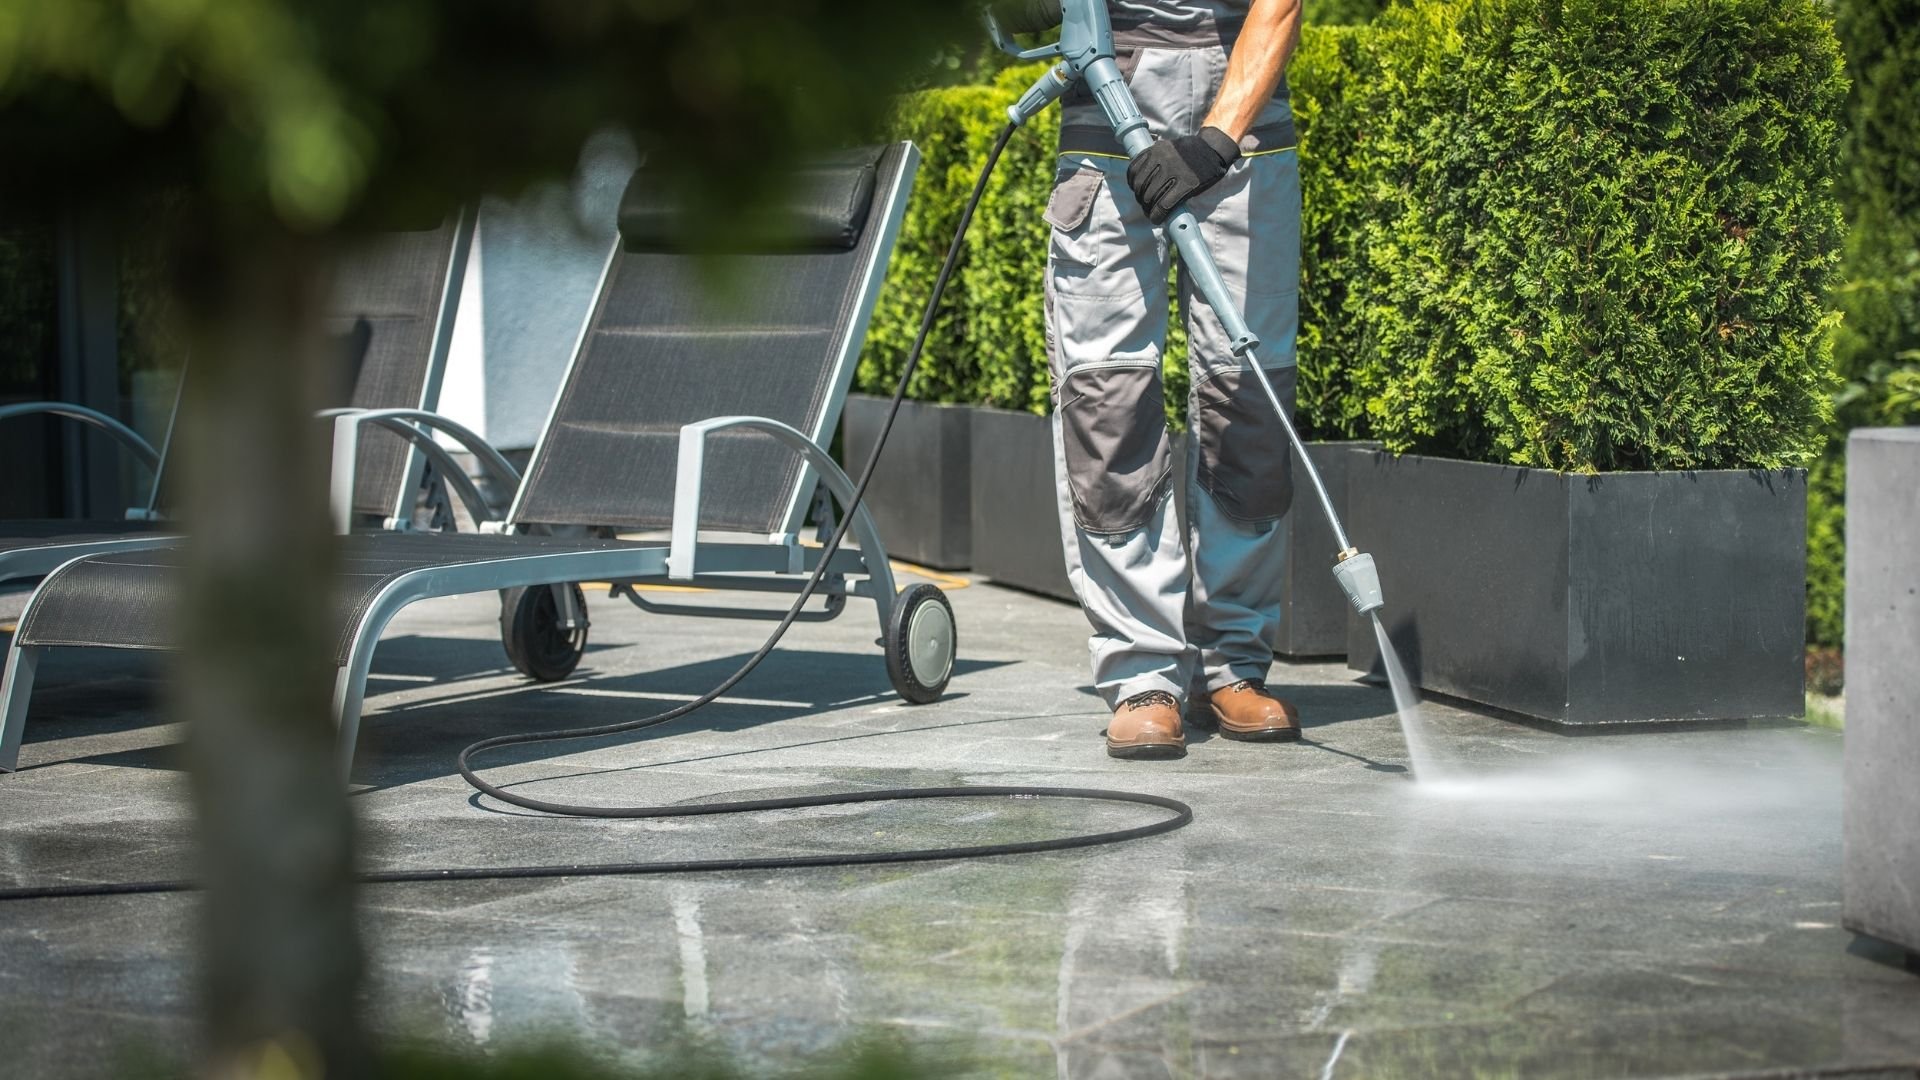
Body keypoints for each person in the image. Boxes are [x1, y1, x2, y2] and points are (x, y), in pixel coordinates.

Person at [1043, 0, 1304, 759]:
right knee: (1108, 401)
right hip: (1107, 109)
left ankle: (1233, 666)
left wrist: (1216, 138)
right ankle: (1142, 674)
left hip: (1245, 124)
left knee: (1248, 397)